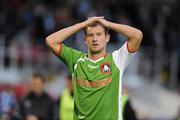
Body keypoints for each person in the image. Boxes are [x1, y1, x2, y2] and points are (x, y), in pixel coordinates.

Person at [46, 16, 143, 120]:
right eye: (90, 35)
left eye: (99, 34)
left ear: (107, 38)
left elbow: (137, 36)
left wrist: (109, 24)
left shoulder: (117, 60)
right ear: (85, 40)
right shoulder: (76, 60)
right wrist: (82, 25)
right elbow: (50, 41)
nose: (94, 39)